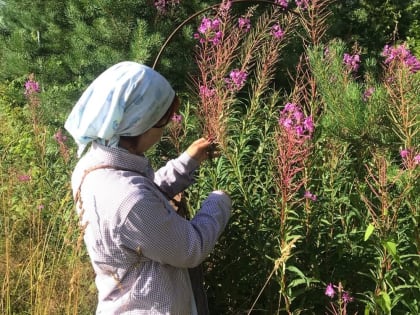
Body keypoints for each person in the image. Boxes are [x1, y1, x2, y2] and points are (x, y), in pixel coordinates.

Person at [64, 61, 231, 314]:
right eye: (161, 123)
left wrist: (187, 162)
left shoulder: (92, 166)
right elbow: (191, 247)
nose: (164, 131)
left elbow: (145, 197)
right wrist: (219, 201)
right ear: (139, 123)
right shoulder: (129, 199)